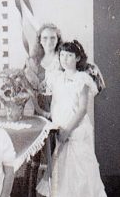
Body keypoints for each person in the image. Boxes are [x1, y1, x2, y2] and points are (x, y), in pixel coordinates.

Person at [37, 40, 107, 197]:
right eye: (62, 55)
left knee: (79, 169)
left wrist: (68, 130)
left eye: (69, 55)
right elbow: (53, 101)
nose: (64, 59)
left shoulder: (82, 78)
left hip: (75, 129)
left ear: (77, 58)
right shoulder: (57, 78)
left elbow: (82, 109)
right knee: (61, 169)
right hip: (59, 128)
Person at [22, 23, 62, 197]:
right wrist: (40, 110)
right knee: (37, 153)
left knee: (55, 153)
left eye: (53, 37)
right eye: (45, 38)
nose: (49, 41)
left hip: (59, 108)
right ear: (39, 40)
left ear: (58, 39)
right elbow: (29, 90)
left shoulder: (63, 58)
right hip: (39, 109)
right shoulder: (33, 61)